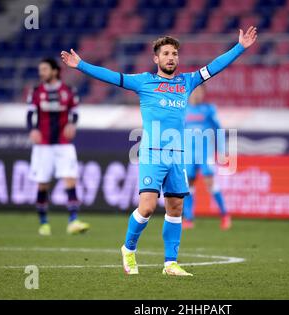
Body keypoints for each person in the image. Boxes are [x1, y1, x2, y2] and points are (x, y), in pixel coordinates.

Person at [61, 26, 257, 276]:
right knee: (148, 207)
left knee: (176, 207)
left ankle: (170, 264)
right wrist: (81, 65)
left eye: (174, 53)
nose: (171, 57)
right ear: (156, 58)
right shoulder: (144, 82)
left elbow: (215, 66)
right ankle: (128, 249)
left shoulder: (187, 81)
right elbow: (112, 76)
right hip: (153, 154)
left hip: (177, 156)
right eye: (165, 53)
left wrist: (240, 47)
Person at [27, 58, 90, 236]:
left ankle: (73, 221)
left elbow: (75, 112)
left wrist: (72, 124)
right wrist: (32, 130)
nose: (41, 73)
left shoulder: (68, 91)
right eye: (40, 69)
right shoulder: (36, 91)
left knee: (70, 180)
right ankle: (44, 223)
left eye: (45, 69)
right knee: (43, 184)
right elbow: (30, 113)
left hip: (64, 144)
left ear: (55, 71)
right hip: (43, 146)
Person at [183, 84, 230, 230]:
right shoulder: (182, 110)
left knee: (210, 183)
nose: (196, 95)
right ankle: (189, 218)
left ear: (203, 94)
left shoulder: (209, 109)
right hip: (188, 154)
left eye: (199, 92)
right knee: (188, 186)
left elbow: (219, 129)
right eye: (194, 91)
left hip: (205, 153)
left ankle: (225, 215)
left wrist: (222, 150)